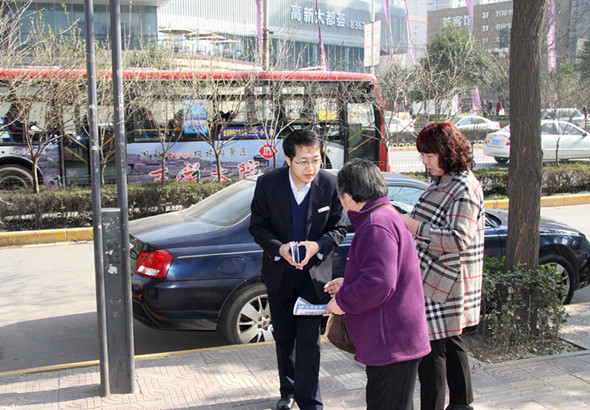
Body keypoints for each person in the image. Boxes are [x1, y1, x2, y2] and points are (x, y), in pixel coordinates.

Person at [249, 129, 347, 410]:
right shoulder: (268, 184)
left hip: (314, 277)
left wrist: (318, 246)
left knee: (309, 340)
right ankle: (288, 391)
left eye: (316, 160)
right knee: (284, 337)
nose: (310, 168)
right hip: (280, 273)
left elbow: (339, 227)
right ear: (288, 159)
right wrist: (278, 248)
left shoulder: (330, 184)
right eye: (303, 161)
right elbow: (258, 226)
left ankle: (310, 401)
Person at [324, 158, 431, 410]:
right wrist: (349, 282)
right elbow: (386, 273)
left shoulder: (376, 224)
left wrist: (342, 301)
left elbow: (380, 283)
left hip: (391, 342)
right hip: (395, 339)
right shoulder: (385, 215)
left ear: (348, 196)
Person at [400, 122, 485, 410]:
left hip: (445, 279)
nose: (424, 161)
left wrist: (413, 226)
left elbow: (458, 238)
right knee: (450, 340)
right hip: (436, 275)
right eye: (422, 155)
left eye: (429, 155)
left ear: (447, 152)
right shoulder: (444, 180)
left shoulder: (463, 187)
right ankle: (462, 403)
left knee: (432, 348)